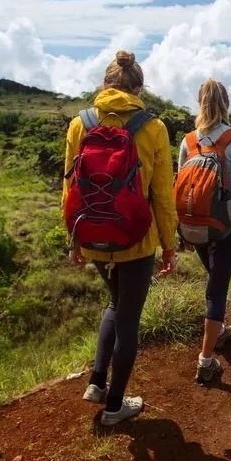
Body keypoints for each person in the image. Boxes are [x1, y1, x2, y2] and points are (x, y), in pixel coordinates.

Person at [63, 50, 178, 426]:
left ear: (105, 85)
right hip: (136, 241)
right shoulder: (154, 128)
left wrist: (74, 240)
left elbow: (68, 190)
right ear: (139, 89)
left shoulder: (79, 124)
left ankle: (97, 382)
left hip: (93, 235)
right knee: (128, 317)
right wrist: (169, 246)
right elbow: (163, 194)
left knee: (114, 303)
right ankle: (114, 407)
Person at [179, 79, 231, 385]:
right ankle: (206, 361)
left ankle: (220, 329)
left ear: (200, 103)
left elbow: (179, 185)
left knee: (214, 278)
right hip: (225, 227)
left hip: (193, 226)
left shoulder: (187, 141)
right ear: (227, 103)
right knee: (217, 288)